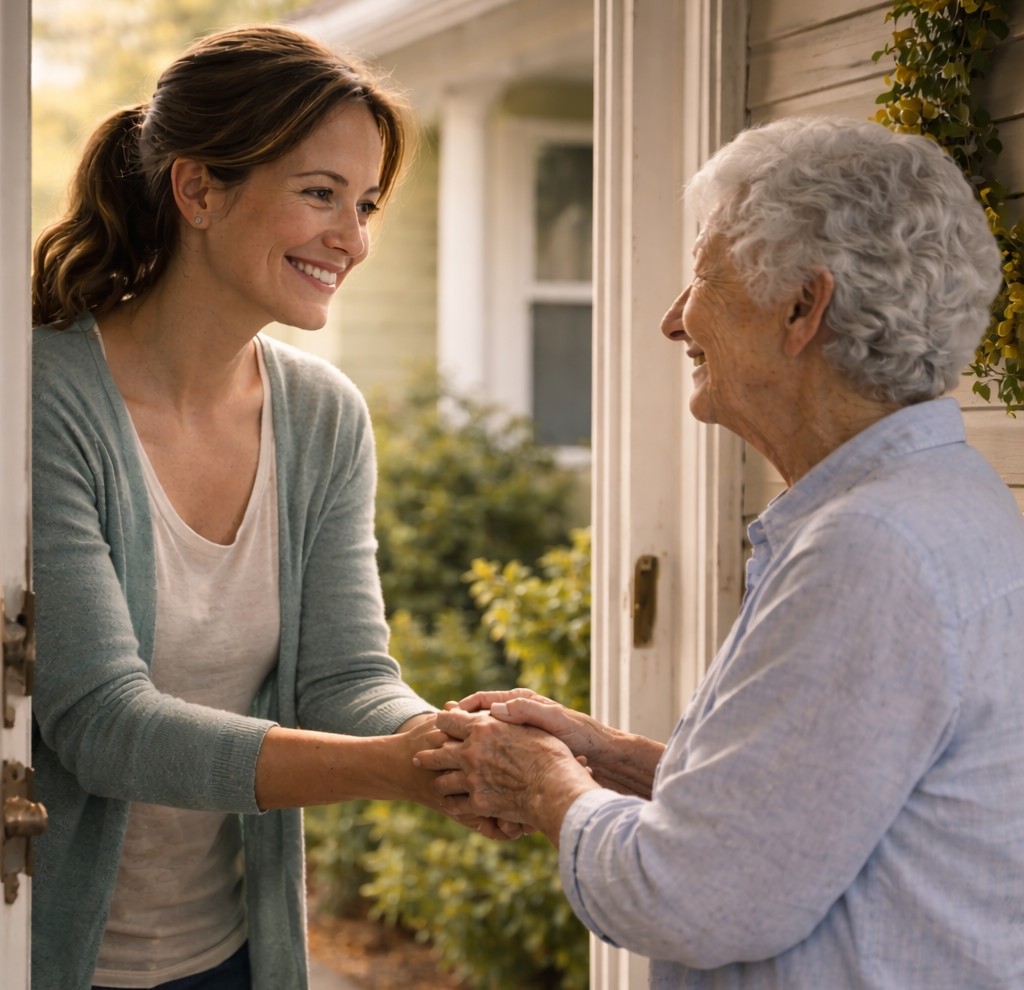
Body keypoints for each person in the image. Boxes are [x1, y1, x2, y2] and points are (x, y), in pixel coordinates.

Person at [416, 116, 1024, 988]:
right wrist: (611, 756)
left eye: (703, 278)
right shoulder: (937, 500)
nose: (674, 320)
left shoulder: (871, 550)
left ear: (802, 307)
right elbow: (799, 815)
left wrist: (546, 786)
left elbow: (694, 898)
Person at [30, 24, 494, 990]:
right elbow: (102, 724)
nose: (353, 239)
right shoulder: (41, 397)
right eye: (319, 194)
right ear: (197, 190)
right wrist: (386, 771)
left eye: (363, 205)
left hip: (238, 954)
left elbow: (345, 676)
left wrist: (440, 744)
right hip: (51, 956)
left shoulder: (323, 417)